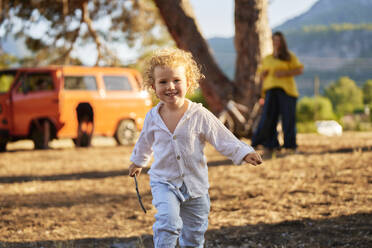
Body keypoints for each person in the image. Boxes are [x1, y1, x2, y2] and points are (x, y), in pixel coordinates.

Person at [128, 48, 262, 248]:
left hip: (196, 186)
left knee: (194, 234)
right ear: (153, 86)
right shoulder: (152, 117)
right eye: (163, 82)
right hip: (164, 181)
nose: (170, 86)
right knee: (168, 222)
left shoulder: (199, 115)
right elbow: (144, 142)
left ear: (189, 82)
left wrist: (243, 152)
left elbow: (222, 137)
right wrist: (138, 161)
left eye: (176, 80)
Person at [251, 31, 304, 156]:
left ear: (282, 42)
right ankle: (271, 145)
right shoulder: (267, 59)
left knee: (288, 119)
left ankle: (290, 146)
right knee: (269, 119)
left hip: (287, 91)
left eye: (278, 40)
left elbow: (299, 69)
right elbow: (261, 74)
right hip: (270, 90)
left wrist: (284, 73)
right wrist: (263, 75)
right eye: (274, 40)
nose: (276, 42)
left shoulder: (289, 56)